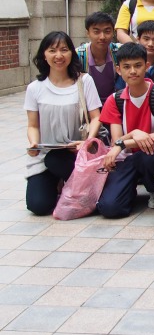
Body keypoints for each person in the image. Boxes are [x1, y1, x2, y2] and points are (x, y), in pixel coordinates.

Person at [97, 43, 154, 218]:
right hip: (127, 158)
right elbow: (117, 139)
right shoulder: (114, 100)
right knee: (110, 208)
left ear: (147, 66)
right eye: (126, 67)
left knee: (148, 153)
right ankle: (128, 189)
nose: (133, 71)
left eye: (138, 65)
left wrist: (122, 143)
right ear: (118, 70)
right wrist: (134, 134)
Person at [24, 32, 103, 215]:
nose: (58, 56)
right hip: (45, 155)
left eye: (64, 50)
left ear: (71, 53)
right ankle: (61, 184)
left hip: (77, 154)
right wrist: (33, 143)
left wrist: (87, 142)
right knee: (38, 206)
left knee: (57, 160)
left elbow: (96, 117)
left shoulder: (84, 81)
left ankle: (78, 186)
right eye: (52, 50)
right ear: (44, 55)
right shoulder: (35, 88)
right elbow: (33, 125)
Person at [75, 12, 123, 103]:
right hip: (88, 105)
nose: (102, 37)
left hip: (116, 104)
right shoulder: (78, 55)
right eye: (96, 32)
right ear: (88, 33)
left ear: (113, 32)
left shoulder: (120, 52)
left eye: (107, 31)